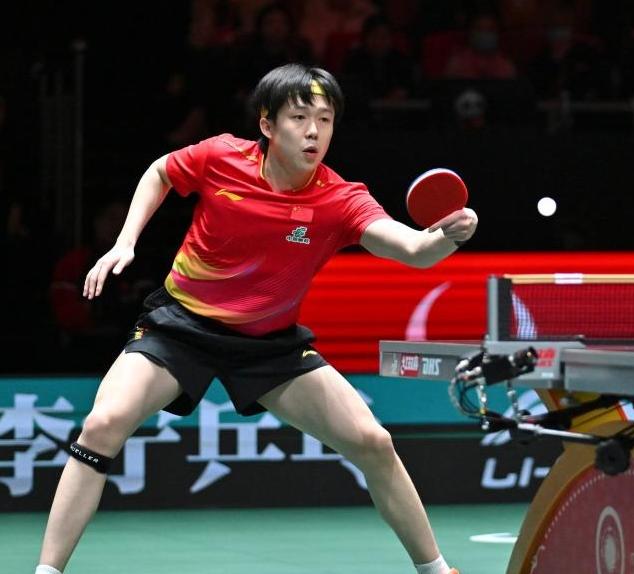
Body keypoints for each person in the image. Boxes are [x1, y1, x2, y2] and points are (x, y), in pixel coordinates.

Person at [35, 64, 474, 574]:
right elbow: (161, 170)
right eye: (300, 117)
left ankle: (437, 571)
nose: (314, 131)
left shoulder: (340, 199)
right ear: (267, 124)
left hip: (270, 345)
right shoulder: (222, 156)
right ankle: (48, 571)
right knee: (103, 423)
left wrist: (449, 236)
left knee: (373, 442)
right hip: (181, 328)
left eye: (326, 119)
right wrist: (126, 239)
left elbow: (413, 249)